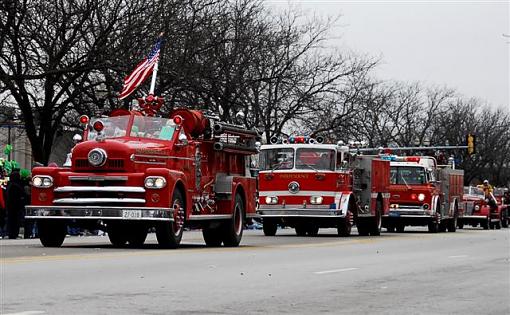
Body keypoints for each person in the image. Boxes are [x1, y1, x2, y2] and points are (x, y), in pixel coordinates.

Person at [5, 169, 27, 239]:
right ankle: (14, 233)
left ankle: (10, 233)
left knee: (10, 220)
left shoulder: (9, 184)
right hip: (17, 206)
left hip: (9, 206)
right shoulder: (18, 185)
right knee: (16, 221)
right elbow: (21, 195)